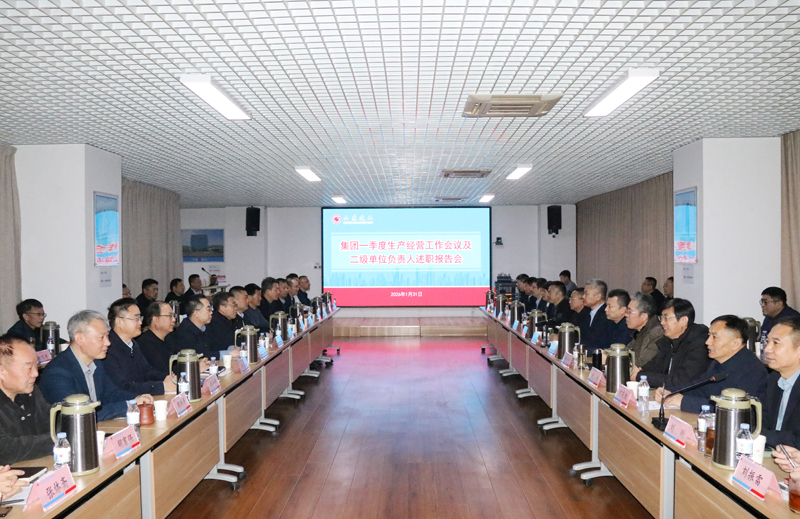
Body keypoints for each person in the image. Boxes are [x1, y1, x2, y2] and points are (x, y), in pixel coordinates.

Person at [39, 310, 153, 421]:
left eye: (107, 336)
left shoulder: (96, 363)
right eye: (101, 337)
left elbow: (112, 394)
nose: (108, 343)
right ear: (79, 338)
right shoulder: (57, 372)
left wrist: (137, 399)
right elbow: (82, 414)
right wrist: (130, 404)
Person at [654, 315, 768, 413]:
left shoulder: (753, 371)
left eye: (714, 337)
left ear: (735, 343)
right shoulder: (717, 362)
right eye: (709, 336)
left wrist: (684, 402)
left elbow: (736, 410)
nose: (707, 342)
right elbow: (699, 389)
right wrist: (670, 392)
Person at [103, 298, 175, 395]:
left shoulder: (133, 344)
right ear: (119, 322)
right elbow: (123, 387)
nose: (140, 322)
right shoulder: (108, 349)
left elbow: (147, 371)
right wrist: (162, 386)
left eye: (140, 318)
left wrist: (167, 378)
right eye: (136, 318)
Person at [0, 335, 53, 464]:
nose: (36, 374)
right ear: (2, 371)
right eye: (29, 368)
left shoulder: (31, 392)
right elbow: (6, 449)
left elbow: (52, 421)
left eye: (36, 366)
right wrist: (57, 439)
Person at [634, 298, 710, 389]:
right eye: (661, 318)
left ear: (683, 320)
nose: (662, 322)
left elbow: (680, 381)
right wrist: (638, 372)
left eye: (666, 318)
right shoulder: (668, 342)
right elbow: (653, 366)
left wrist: (639, 376)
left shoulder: (699, 345)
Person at [762, 317, 800, 448]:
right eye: (768, 342)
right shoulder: (774, 378)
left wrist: (757, 434)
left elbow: (797, 440)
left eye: (776, 343)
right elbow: (761, 420)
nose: (767, 349)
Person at [137, 301, 178, 376]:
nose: (174, 320)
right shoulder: (145, 343)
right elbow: (161, 372)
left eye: (173, 316)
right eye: (169, 316)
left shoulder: (170, 338)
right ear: (155, 320)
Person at [626, 292, 664, 368]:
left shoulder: (657, 334)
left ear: (644, 316)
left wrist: (610, 360)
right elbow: (625, 352)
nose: (626, 315)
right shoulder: (639, 332)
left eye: (630, 312)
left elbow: (641, 364)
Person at [579, 279, 612, 353]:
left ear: (598, 296)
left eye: (586, 293)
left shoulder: (606, 314)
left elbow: (596, 341)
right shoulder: (587, 312)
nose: (583, 296)